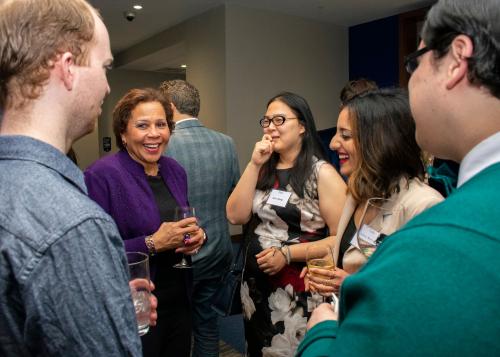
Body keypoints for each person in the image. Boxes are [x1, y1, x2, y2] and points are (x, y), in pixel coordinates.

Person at [297, 0, 500, 355]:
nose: (411, 81)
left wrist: (321, 332)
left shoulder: (441, 224)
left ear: (456, 60)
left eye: (414, 63)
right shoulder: (360, 195)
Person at [0, 0, 156, 355]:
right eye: (104, 67)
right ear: (68, 68)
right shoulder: (72, 226)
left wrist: (105, 309)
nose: (105, 86)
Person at [84, 88, 205, 357]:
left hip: (179, 301)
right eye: (142, 125)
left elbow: (180, 223)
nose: (154, 134)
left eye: (161, 124)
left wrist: (198, 237)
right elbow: (92, 252)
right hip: (135, 307)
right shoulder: (101, 176)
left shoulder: (175, 170)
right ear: (123, 134)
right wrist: (152, 243)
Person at [226, 91, 347, 356]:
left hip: (296, 295)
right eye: (266, 121)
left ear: (302, 126)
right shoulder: (263, 169)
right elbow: (235, 216)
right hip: (256, 291)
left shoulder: (321, 174)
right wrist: (254, 164)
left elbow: (340, 239)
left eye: (279, 119)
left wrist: (287, 253)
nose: (270, 127)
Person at [305, 88, 443, 296]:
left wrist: (353, 284)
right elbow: (350, 258)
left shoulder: (424, 206)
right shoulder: (358, 192)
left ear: (379, 141)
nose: (333, 144)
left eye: (345, 135)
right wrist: (328, 273)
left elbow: (426, 291)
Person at [159, 79, 240, 357]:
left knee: (175, 329)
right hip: (219, 251)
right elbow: (235, 195)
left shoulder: (162, 146)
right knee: (207, 324)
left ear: (169, 107)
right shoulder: (226, 143)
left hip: (178, 256)